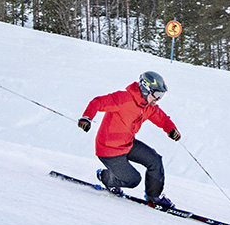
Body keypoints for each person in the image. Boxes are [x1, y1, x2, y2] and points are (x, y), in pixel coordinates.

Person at [78, 71, 181, 207]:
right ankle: (105, 177)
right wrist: (87, 117)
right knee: (133, 180)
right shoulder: (123, 99)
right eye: (157, 95)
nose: (158, 99)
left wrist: (171, 129)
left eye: (161, 96)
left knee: (155, 160)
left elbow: (162, 118)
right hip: (109, 149)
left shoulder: (148, 106)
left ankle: (154, 196)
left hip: (127, 144)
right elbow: (98, 102)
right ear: (145, 89)